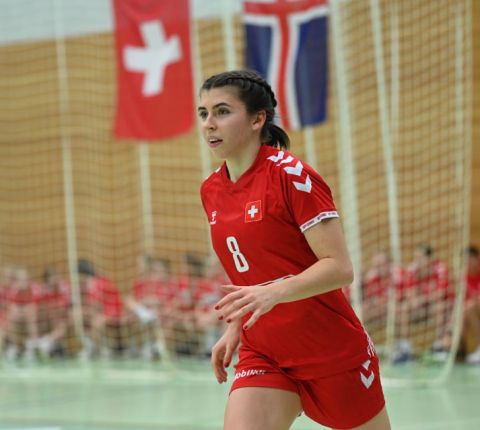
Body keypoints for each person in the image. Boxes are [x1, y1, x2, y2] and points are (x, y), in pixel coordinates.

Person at [198, 70, 391, 430]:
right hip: (264, 350)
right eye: (203, 113)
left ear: (257, 119)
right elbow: (251, 271)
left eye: (222, 111)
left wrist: (273, 292)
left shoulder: (291, 176)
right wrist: (237, 324)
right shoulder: (211, 190)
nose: (209, 123)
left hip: (329, 349)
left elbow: (339, 268)